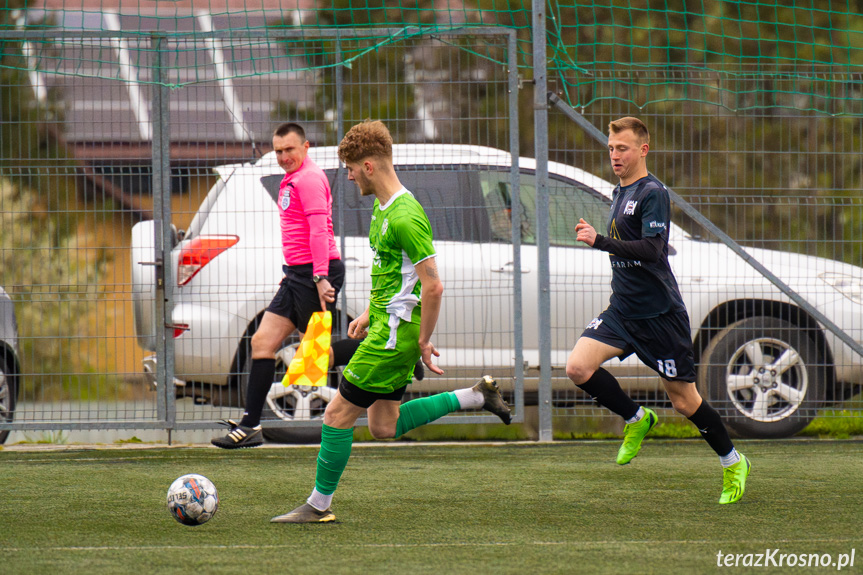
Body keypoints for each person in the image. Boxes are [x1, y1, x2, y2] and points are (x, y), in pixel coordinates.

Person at [270, 120, 512, 524]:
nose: (346, 176)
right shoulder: (384, 209)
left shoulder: (405, 216)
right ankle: (476, 396)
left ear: (368, 166)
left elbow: (433, 286)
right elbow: (396, 273)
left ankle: (318, 506)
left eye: (349, 168)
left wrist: (422, 342)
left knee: (336, 415)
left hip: (395, 338)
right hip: (385, 328)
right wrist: (368, 313)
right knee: (384, 425)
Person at [567, 116, 751, 504]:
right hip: (622, 310)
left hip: (660, 316)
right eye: (612, 148)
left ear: (643, 150)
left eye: (623, 149)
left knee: (684, 400)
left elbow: (653, 249)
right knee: (578, 367)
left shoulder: (652, 192)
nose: (615, 155)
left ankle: (733, 461)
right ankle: (637, 418)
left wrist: (599, 241)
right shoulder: (619, 192)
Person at [212, 122, 350, 449]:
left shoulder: (312, 178)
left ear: (305, 147)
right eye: (278, 151)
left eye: (290, 149)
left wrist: (319, 278)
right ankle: (250, 427)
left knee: (313, 362)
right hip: (296, 276)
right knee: (261, 343)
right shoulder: (292, 178)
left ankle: (396, 352)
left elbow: (318, 231)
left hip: (317, 274)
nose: (284, 156)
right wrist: (294, 274)